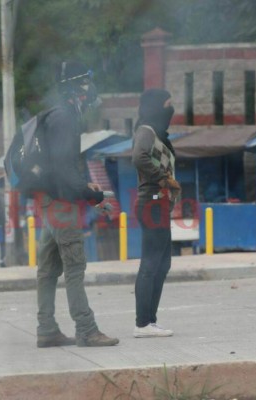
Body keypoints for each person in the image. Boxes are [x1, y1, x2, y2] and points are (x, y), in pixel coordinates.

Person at [35, 61, 119, 348]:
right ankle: (86, 329)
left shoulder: (51, 115)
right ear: (75, 86)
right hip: (61, 204)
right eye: (86, 81)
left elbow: (62, 166)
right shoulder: (65, 118)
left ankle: (46, 329)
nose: (90, 87)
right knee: (74, 268)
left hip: (48, 201)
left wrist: (84, 186)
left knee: (47, 270)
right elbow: (62, 168)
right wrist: (90, 195)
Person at [131, 88, 181, 338]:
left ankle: (150, 320)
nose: (171, 109)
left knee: (163, 263)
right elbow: (139, 157)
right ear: (156, 107)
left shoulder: (159, 134)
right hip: (151, 201)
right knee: (151, 263)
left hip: (159, 204)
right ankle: (143, 323)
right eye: (167, 104)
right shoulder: (146, 131)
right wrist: (164, 178)